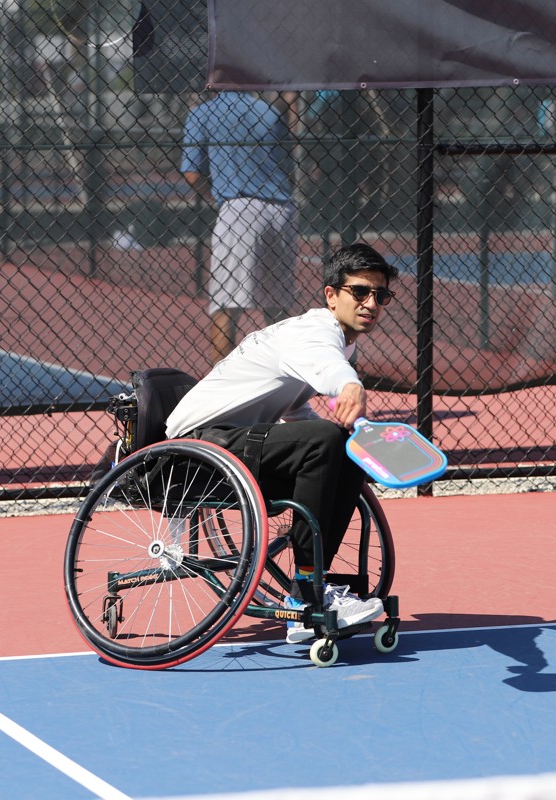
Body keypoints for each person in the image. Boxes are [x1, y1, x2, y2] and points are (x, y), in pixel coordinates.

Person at [165, 242, 399, 644]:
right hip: (198, 449)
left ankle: (312, 581)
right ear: (331, 294)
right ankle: (305, 596)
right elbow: (329, 368)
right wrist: (350, 387)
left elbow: (294, 412)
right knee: (329, 438)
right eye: (360, 292)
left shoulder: (340, 339)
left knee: (341, 443)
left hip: (235, 445)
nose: (371, 303)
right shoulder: (314, 333)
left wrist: (349, 435)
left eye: (381, 296)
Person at [181, 87, 298, 361]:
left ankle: (222, 388)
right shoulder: (268, 111)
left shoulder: (202, 113)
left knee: (225, 306)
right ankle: (282, 390)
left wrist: (214, 196)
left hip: (239, 209)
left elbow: (191, 174)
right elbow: (286, 161)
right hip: (282, 211)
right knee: (278, 310)